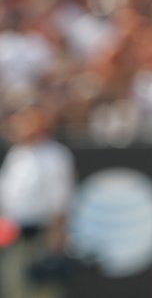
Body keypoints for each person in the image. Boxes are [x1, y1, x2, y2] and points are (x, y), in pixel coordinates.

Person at [0, 103, 76, 298]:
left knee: (43, 291)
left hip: (42, 235)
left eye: (24, 121)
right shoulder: (18, 154)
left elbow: (61, 200)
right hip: (15, 235)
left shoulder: (54, 155)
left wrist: (57, 239)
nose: (17, 126)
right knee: (15, 288)